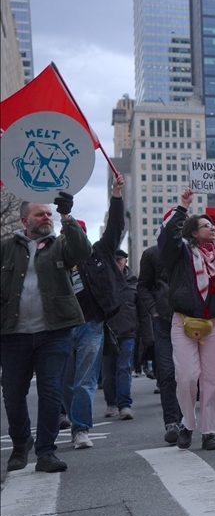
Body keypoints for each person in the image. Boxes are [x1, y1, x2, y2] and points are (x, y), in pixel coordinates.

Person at [2, 194, 92, 473]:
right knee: (13, 393)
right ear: (24, 220)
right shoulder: (6, 248)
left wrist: (67, 217)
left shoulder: (61, 244)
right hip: (13, 334)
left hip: (53, 332)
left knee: (51, 392)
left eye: (49, 214)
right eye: (40, 214)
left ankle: (46, 451)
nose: (46, 218)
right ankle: (21, 444)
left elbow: (83, 251)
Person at [159, 188, 215, 451]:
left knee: (212, 380)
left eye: (212, 225)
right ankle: (187, 424)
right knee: (187, 376)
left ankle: (210, 432)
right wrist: (182, 207)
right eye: (205, 226)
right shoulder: (180, 253)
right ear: (193, 232)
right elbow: (168, 237)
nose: (212, 228)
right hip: (184, 322)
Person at [64, 175, 129, 450]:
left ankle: (80, 428)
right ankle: (71, 417)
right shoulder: (56, 258)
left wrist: (116, 195)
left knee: (85, 380)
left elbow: (116, 225)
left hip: (91, 324)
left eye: (77, 234)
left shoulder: (99, 252)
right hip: (61, 327)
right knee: (65, 382)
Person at [138, 212, 184, 444]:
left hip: (190, 320)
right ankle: (172, 422)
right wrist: (154, 310)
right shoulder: (151, 254)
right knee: (167, 372)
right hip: (164, 321)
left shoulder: (191, 251)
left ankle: (187, 420)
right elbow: (142, 285)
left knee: (188, 373)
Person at [101, 249, 149, 420]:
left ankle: (124, 405)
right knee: (108, 372)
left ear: (125, 261)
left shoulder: (134, 283)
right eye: (113, 260)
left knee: (124, 369)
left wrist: (147, 335)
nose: (116, 263)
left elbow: (143, 312)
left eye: (119, 260)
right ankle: (111, 403)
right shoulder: (102, 281)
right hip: (107, 333)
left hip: (128, 332)